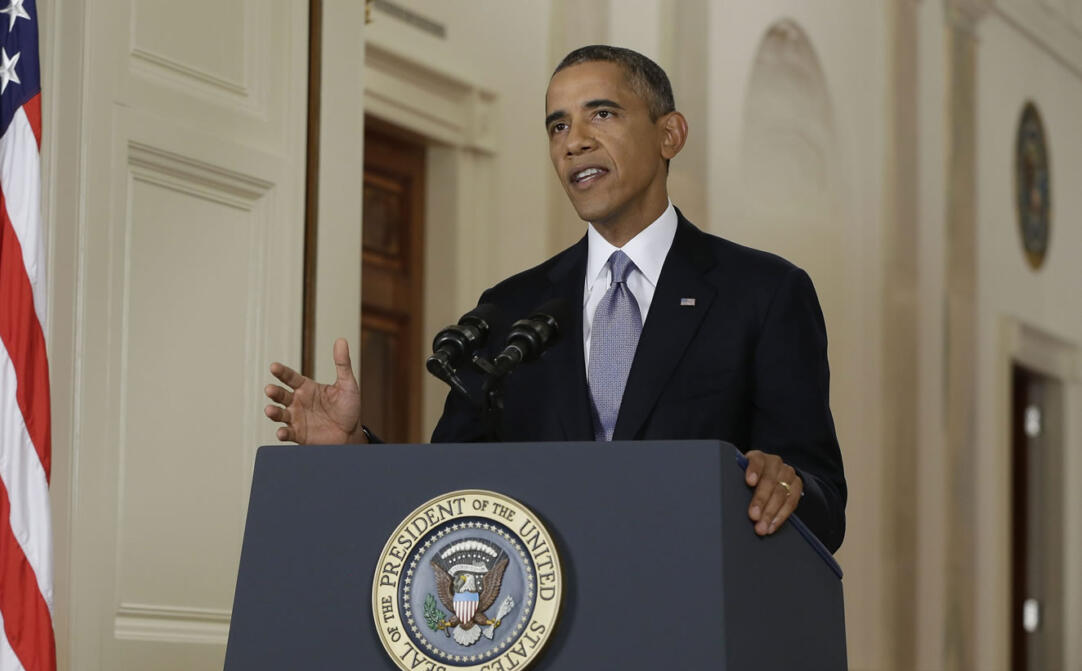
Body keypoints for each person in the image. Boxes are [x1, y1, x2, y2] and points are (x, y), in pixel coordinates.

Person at [266, 45, 847, 552]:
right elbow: (449, 491)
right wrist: (354, 451)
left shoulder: (765, 292)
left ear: (670, 133)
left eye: (602, 114)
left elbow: (823, 498)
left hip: (693, 624)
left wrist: (786, 485)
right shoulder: (510, 308)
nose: (575, 142)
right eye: (557, 126)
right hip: (538, 635)